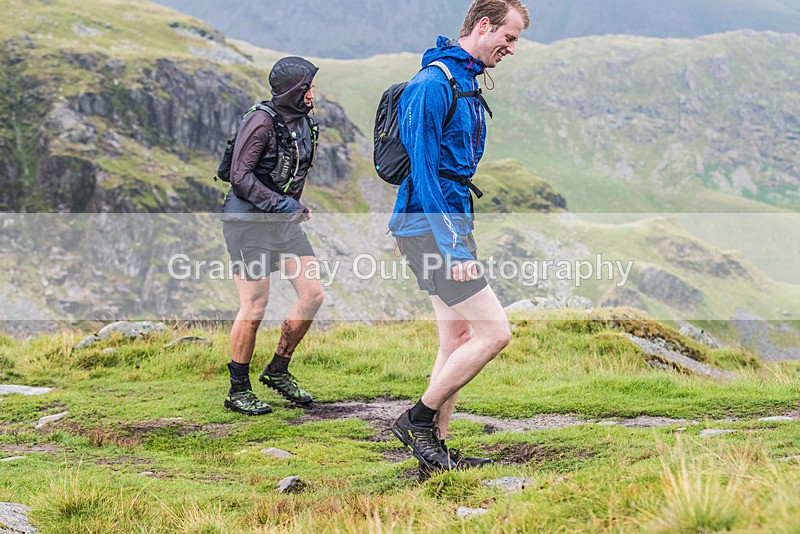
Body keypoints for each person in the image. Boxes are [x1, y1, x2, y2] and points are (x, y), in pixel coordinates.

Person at [388, 0, 530, 477]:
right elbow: (424, 172)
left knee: (457, 337)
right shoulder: (432, 84)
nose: (512, 49)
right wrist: (450, 245)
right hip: (432, 230)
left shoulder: (463, 78)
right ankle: (418, 420)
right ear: (484, 26)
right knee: (495, 332)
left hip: (444, 224)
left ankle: (438, 452)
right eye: (508, 37)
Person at [221, 57, 325, 415]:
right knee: (255, 305)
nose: (313, 92)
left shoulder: (304, 121)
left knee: (312, 294)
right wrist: (284, 205)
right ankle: (238, 390)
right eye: (308, 86)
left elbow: (291, 173)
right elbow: (240, 176)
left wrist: (292, 208)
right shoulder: (260, 122)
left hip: (282, 222)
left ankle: (277, 370)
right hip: (248, 223)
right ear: (295, 90)